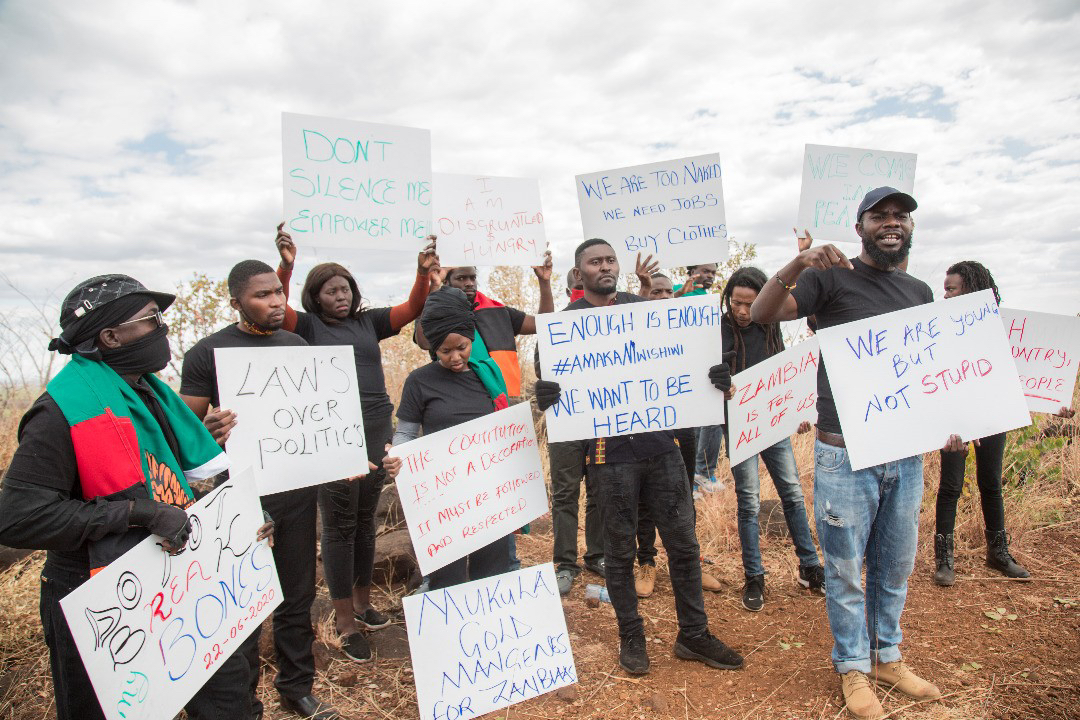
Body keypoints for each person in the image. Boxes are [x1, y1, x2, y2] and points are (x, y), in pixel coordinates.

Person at [0, 274, 266, 720]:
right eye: (151, 320)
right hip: (102, 600)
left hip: (182, 583)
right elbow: (17, 516)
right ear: (110, 336)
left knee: (228, 703)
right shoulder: (60, 412)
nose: (163, 329)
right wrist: (134, 513)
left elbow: (168, 480)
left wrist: (241, 523)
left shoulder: (153, 395)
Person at [752, 188, 943, 719]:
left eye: (899, 216)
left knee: (894, 565)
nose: (891, 223)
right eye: (879, 216)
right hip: (843, 451)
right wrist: (798, 260)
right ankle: (853, 667)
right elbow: (766, 313)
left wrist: (950, 420)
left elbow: (929, 369)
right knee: (844, 569)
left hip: (904, 454)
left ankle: (887, 656)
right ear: (859, 227)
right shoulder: (827, 278)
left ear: (909, 227)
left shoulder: (918, 290)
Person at [535, 238, 743, 676]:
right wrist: (546, 394)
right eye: (595, 261)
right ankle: (631, 635)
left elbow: (687, 354)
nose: (605, 266)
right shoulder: (563, 328)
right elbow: (549, 385)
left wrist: (715, 375)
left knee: (684, 545)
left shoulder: (641, 308)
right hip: (609, 457)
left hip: (661, 447)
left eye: (610, 259)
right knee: (619, 549)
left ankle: (694, 634)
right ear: (579, 274)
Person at [179, 260, 341, 720]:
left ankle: (296, 687)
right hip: (242, 496)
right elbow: (183, 434)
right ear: (236, 303)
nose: (275, 302)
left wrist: (342, 455)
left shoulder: (295, 344)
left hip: (295, 491)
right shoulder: (207, 353)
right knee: (246, 603)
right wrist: (205, 428)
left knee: (298, 595)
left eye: (278, 292)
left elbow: (318, 419)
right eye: (262, 295)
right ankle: (245, 701)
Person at [272, 225, 438, 660]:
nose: (340, 296)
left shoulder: (369, 322)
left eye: (345, 288)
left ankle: (364, 605)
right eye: (330, 291)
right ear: (316, 297)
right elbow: (278, 309)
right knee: (340, 526)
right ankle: (344, 621)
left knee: (366, 519)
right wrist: (286, 268)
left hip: (375, 426)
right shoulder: (306, 326)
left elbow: (412, 308)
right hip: (333, 435)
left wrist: (421, 272)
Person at [383, 288, 513, 588]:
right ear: (432, 347)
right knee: (447, 577)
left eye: (462, 347)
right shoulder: (420, 381)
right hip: (443, 499)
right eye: (445, 351)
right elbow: (405, 431)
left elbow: (505, 428)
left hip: (487, 493)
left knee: (491, 571)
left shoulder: (489, 374)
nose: (455, 357)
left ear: (472, 339)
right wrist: (397, 455)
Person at [717, 267, 824, 611]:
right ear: (728, 300)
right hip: (740, 427)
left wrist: (799, 414)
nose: (743, 311)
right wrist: (718, 381)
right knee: (748, 500)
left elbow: (788, 377)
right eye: (736, 303)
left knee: (792, 493)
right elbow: (705, 380)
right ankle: (754, 576)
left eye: (750, 303)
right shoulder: (716, 332)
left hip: (775, 424)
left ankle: (809, 567)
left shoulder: (771, 327)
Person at [934, 261, 1030, 586]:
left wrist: (1050, 402)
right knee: (950, 486)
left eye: (951, 289)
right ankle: (944, 560)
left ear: (971, 290)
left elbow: (1020, 376)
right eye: (945, 289)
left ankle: (998, 553)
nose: (945, 296)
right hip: (955, 419)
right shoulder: (939, 329)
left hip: (992, 414)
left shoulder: (999, 329)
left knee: (991, 482)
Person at [630, 269, 723, 598]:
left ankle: (690, 563)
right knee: (644, 498)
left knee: (684, 494)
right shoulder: (629, 333)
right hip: (642, 425)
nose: (663, 297)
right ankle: (646, 562)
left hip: (682, 422)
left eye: (668, 292)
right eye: (656, 292)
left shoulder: (689, 331)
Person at [416, 255, 553, 399]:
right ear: (446, 281)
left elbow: (544, 324)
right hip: (461, 400)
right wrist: (435, 286)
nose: (469, 283)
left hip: (505, 400)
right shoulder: (437, 313)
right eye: (461, 278)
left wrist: (544, 281)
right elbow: (424, 342)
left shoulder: (498, 311)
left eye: (472, 278)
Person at [549, 269, 606, 596]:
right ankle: (565, 564)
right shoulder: (559, 323)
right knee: (565, 493)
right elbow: (545, 368)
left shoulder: (615, 318)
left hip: (602, 419)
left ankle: (596, 556)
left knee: (600, 490)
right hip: (566, 421)